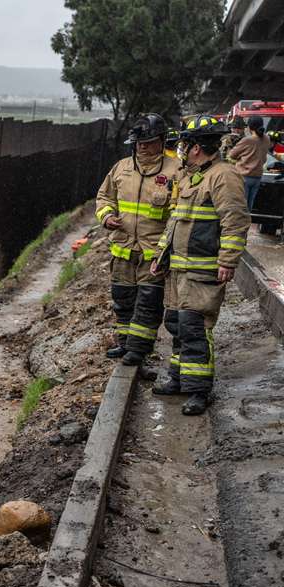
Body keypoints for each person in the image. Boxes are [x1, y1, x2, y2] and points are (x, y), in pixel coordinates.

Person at [151, 115, 249, 415]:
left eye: (184, 144)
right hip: (179, 270)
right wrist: (161, 255)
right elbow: (176, 221)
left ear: (196, 148)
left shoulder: (223, 176)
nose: (180, 149)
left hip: (202, 270)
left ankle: (198, 390)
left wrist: (228, 260)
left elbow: (235, 221)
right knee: (176, 324)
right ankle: (179, 379)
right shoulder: (191, 175)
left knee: (195, 328)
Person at [94, 113, 175, 367]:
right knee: (123, 299)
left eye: (148, 142)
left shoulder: (176, 171)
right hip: (123, 250)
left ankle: (139, 349)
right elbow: (104, 198)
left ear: (161, 141)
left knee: (148, 303)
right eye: (139, 143)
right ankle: (125, 342)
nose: (142, 147)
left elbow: (179, 213)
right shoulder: (121, 168)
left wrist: (166, 248)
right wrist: (107, 217)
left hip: (153, 253)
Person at [228, 115, 275, 210]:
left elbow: (232, 155)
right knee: (249, 207)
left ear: (249, 127)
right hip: (257, 177)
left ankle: (241, 220)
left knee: (240, 207)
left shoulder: (247, 140)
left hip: (244, 177)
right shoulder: (267, 139)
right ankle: (246, 219)